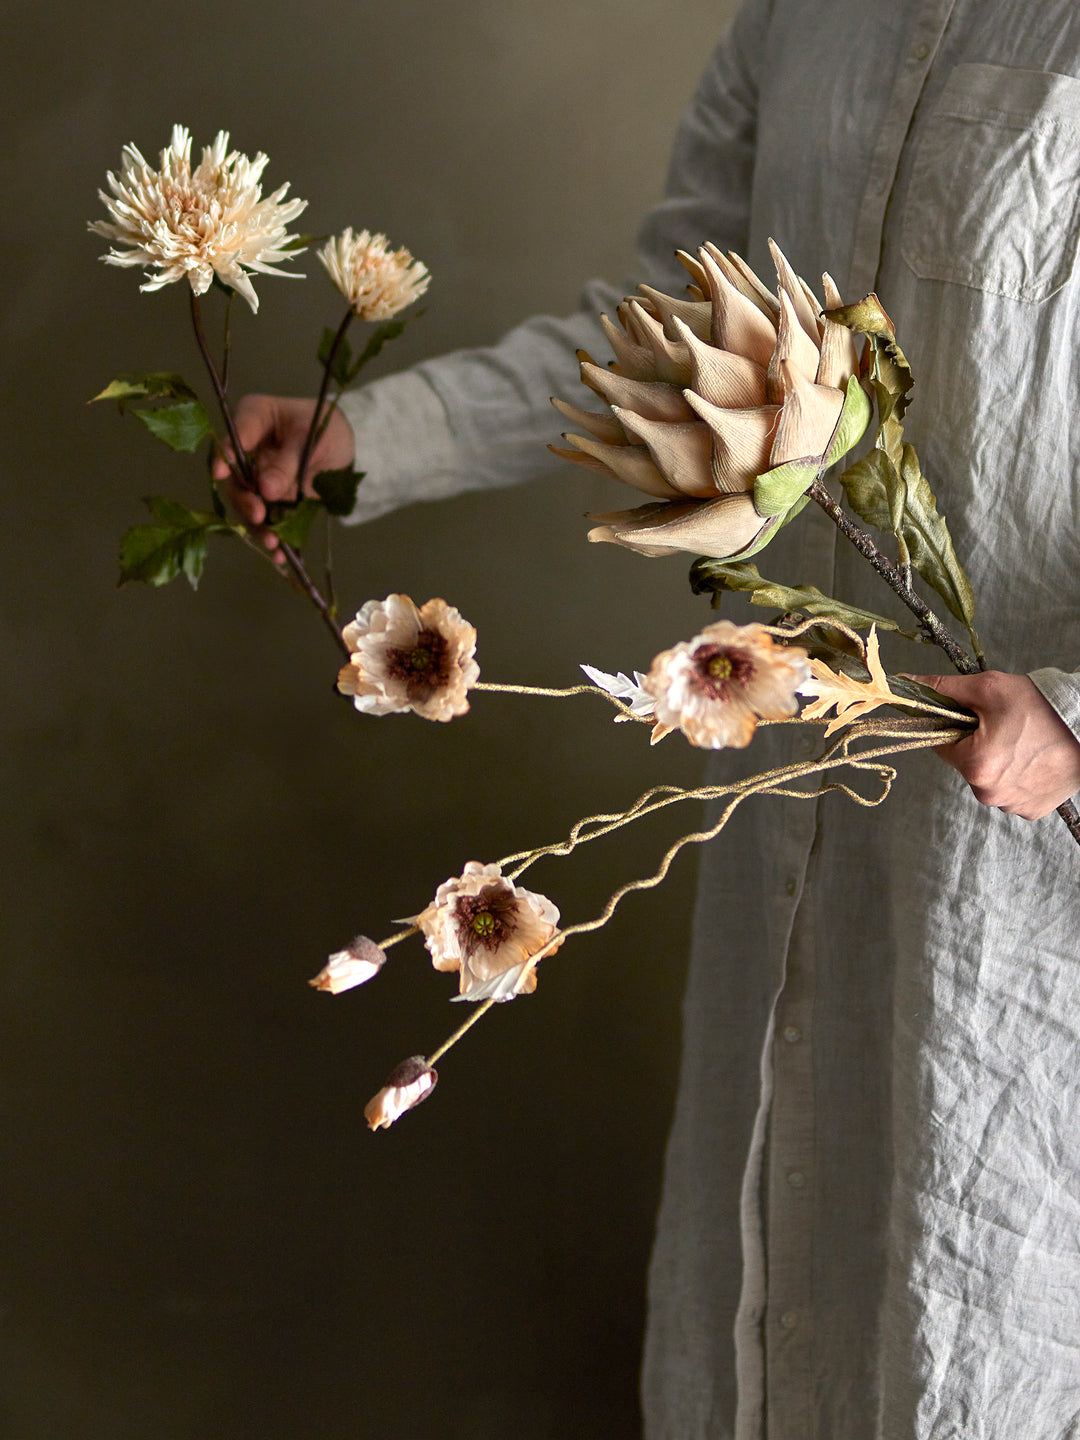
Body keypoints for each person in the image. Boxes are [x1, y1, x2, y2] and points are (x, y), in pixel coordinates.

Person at [216, 2, 1080, 1434]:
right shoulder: (808, 20)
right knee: (792, 1307)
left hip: (1021, 868)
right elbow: (663, 342)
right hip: (802, 795)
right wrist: (379, 436)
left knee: (987, 1329)